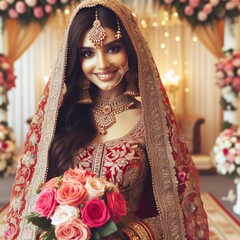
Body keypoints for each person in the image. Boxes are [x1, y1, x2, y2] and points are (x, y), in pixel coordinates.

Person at [4, 0, 209, 239]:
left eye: (113, 48)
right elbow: (32, 205)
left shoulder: (152, 122)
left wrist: (128, 235)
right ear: (76, 60)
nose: (102, 64)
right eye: (88, 53)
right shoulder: (61, 120)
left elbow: (179, 214)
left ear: (130, 49)